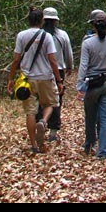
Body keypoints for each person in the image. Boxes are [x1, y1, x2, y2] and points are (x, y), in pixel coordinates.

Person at [7, 6, 64, 154]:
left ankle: (34, 145)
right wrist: (59, 80)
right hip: (45, 77)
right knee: (51, 103)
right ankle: (44, 121)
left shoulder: (21, 35)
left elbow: (16, 59)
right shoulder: (47, 37)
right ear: (41, 21)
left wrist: (11, 79)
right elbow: (52, 60)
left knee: (30, 112)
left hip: (27, 79)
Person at [76, 10, 106, 160]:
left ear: (94, 25)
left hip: (92, 83)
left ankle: (89, 144)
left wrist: (80, 86)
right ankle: (105, 151)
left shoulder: (87, 43)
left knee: (90, 115)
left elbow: (83, 66)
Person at [36, 7, 74, 142]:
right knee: (56, 101)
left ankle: (40, 122)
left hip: (39, 71)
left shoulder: (37, 35)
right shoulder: (62, 35)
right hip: (58, 71)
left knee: (39, 100)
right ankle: (53, 131)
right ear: (56, 21)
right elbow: (68, 53)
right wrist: (70, 66)